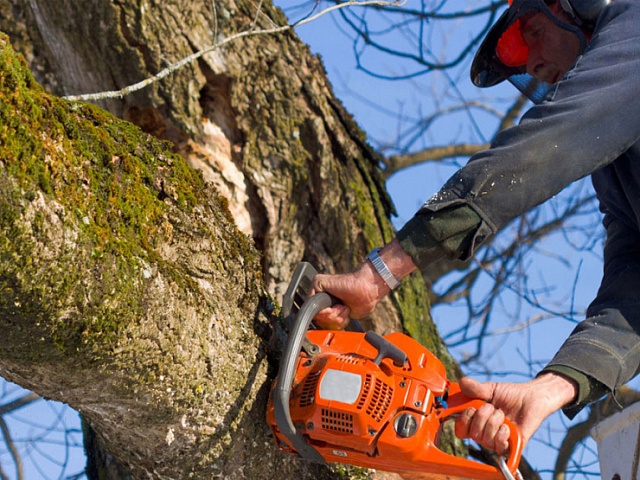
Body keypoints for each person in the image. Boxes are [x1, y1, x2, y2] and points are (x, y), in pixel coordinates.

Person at [311, 0, 640, 456]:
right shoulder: (621, 170)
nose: (534, 64)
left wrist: (378, 273)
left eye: (534, 33)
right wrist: (547, 390)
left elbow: (551, 142)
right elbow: (634, 292)